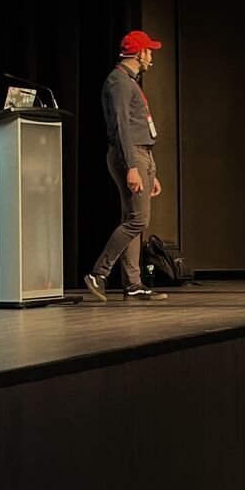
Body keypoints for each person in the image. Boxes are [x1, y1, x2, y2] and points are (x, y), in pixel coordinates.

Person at [84, 30, 169, 302]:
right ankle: (99, 273)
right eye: (149, 51)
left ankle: (133, 283)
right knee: (138, 220)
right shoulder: (119, 82)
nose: (151, 56)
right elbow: (121, 126)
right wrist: (132, 166)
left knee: (133, 219)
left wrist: (150, 168)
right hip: (130, 154)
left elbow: (136, 123)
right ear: (139, 53)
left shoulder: (128, 80)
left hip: (142, 154)